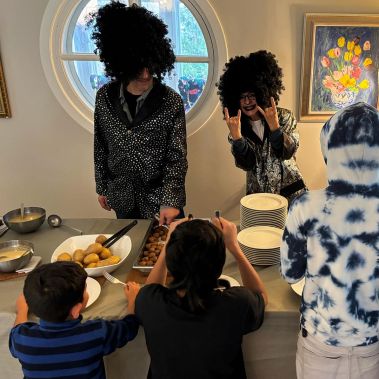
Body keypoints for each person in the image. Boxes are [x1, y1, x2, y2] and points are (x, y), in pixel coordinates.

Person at [280, 102, 379, 379]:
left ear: (329, 148)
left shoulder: (305, 206)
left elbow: (290, 272)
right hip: (373, 346)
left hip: (321, 344)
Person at [88, 2, 188, 224]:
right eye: (137, 66)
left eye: (150, 65)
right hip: (122, 197)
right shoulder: (104, 97)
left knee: (167, 254)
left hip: (161, 199)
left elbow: (177, 157)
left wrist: (170, 201)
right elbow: (101, 146)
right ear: (121, 63)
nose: (145, 73)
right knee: (130, 250)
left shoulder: (170, 101)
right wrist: (102, 186)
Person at [135, 217, 268, 378]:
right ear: (219, 266)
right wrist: (234, 248)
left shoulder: (150, 302)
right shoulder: (238, 303)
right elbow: (261, 296)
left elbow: (150, 289)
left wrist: (168, 244)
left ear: (171, 263)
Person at [9, 261, 140, 379]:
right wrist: (133, 299)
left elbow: (16, 331)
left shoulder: (22, 339)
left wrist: (22, 311)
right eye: (85, 290)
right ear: (75, 310)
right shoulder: (96, 333)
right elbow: (129, 327)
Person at [216, 50, 306, 204]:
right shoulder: (236, 128)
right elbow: (247, 164)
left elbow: (288, 152)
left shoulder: (284, 117)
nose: (247, 101)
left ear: (262, 92)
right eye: (242, 97)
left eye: (252, 95)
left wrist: (275, 129)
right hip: (259, 197)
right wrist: (238, 139)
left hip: (291, 193)